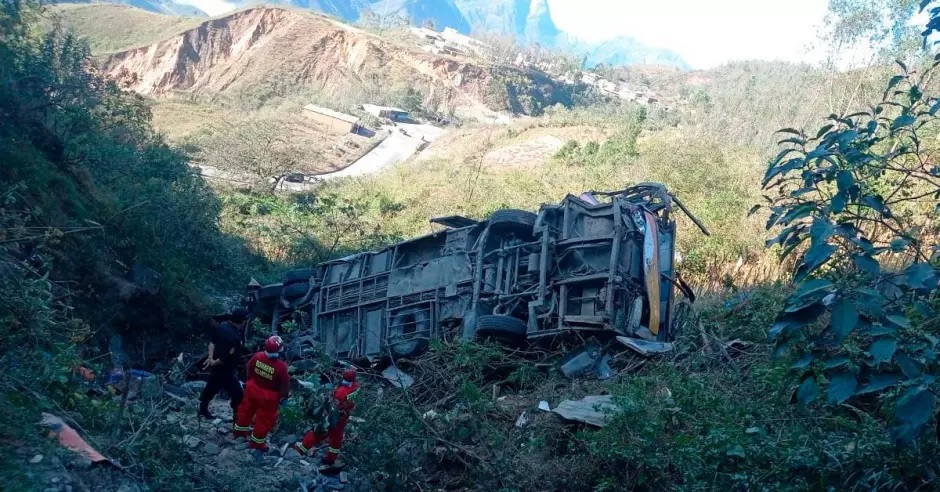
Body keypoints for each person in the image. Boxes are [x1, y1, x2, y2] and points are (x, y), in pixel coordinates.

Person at [292, 367, 360, 467]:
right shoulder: (356, 387)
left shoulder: (341, 392)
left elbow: (331, 405)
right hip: (344, 417)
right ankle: (331, 458)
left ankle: (301, 450)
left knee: (317, 432)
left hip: (334, 416)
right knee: (337, 438)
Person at [233, 335, 290, 453]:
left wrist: (249, 382)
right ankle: (257, 443)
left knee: (245, 410)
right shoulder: (281, 367)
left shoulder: (257, 356)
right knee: (265, 419)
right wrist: (284, 397)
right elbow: (285, 385)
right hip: (269, 397)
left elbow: (249, 368)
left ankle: (239, 433)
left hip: (252, 389)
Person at [198, 307, 248, 420]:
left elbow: (212, 342)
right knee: (238, 394)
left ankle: (202, 409)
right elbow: (226, 357)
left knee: (212, 387)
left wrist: (210, 358)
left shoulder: (222, 326)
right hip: (225, 369)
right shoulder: (234, 337)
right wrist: (215, 362)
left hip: (218, 367)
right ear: (242, 321)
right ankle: (237, 418)